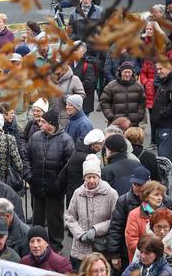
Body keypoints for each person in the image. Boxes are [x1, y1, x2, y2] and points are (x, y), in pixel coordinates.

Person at [27, 109, 75, 250]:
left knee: (55, 221)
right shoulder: (35, 137)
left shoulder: (66, 140)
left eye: (43, 121)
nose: (39, 123)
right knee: (37, 221)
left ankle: (55, 248)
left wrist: (59, 184)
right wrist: (29, 176)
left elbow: (68, 167)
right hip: (37, 187)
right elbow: (27, 159)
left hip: (55, 189)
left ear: (52, 124)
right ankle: (36, 246)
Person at [65, 156, 119, 267]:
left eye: (94, 177)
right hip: (80, 248)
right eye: (88, 177)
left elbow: (115, 220)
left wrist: (96, 230)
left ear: (99, 176)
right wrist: (80, 234)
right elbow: (69, 217)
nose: (91, 181)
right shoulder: (78, 193)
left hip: (101, 247)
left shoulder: (111, 194)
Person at [124, 180, 168, 260]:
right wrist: (154, 249)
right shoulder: (134, 215)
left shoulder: (168, 214)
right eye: (156, 195)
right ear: (146, 197)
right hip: (141, 260)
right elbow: (131, 242)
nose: (159, 198)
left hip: (164, 260)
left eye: (161, 195)